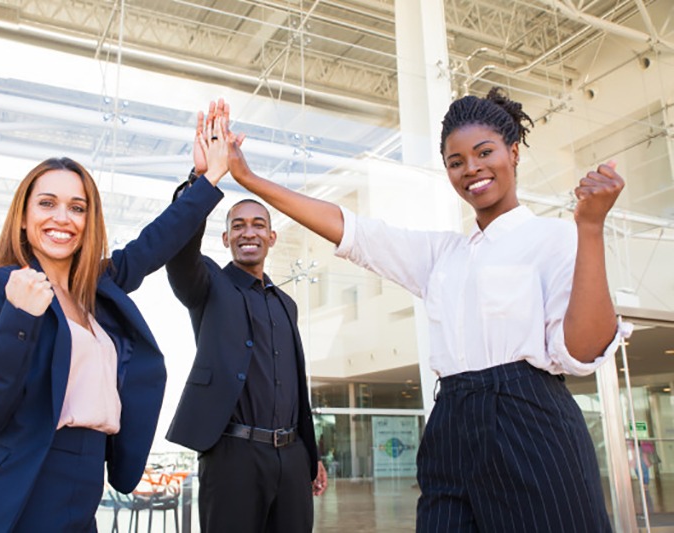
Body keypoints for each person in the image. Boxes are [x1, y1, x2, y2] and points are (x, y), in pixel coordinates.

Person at [226, 87, 625, 532]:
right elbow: (352, 230)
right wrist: (250, 179)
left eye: (484, 152)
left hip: (530, 420)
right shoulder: (443, 255)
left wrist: (590, 227)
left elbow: (584, 350)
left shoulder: (555, 238)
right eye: (456, 162)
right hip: (452, 419)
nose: (471, 169)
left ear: (513, 153)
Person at [0, 119, 230, 532]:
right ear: (23, 218)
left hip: (86, 478)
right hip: (22, 484)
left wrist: (206, 178)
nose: (63, 217)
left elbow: (156, 241)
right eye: (47, 203)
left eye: (77, 207)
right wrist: (20, 317)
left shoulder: (99, 287)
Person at [165, 100, 327, 533]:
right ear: (226, 238)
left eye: (258, 224)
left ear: (271, 237)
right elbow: (179, 252)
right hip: (232, 456)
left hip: (291, 459)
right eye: (238, 225)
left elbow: (295, 386)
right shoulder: (208, 285)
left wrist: (310, 456)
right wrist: (202, 179)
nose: (248, 231)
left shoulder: (285, 304)